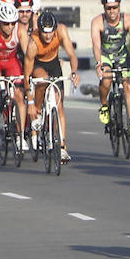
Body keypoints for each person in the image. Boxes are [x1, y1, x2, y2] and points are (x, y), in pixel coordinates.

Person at [24, 10, 80, 162]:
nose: (48, 36)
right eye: (44, 33)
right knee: (42, 79)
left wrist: (74, 72)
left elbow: (72, 55)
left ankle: (62, 147)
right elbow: (27, 75)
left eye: (50, 32)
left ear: (55, 29)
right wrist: (30, 102)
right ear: (39, 30)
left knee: (59, 104)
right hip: (38, 64)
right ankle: (38, 109)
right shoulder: (33, 43)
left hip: (54, 64)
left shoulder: (61, 31)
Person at [92, 0, 130, 127]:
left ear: (119, 7)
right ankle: (104, 105)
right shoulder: (97, 22)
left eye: (115, 7)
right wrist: (98, 63)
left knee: (128, 87)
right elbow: (96, 44)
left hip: (122, 55)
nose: (112, 11)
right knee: (106, 80)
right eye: (108, 8)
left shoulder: (129, 20)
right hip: (105, 55)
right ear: (104, 8)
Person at [0, 2, 28, 140]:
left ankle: (20, 135)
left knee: (19, 96)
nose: (10, 27)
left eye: (13, 23)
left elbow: (27, 54)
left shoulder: (20, 30)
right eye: (6, 24)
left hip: (11, 62)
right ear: (0, 22)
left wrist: (29, 73)